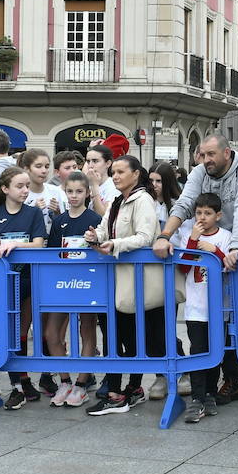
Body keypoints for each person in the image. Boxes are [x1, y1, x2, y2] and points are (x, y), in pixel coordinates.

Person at [152, 133, 238, 402]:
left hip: (236, 253)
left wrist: (233, 249)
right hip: (208, 254)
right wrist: (165, 235)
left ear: (227, 153)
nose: (206, 159)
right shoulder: (200, 171)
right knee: (205, 324)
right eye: (203, 154)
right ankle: (210, 383)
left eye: (211, 154)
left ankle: (233, 380)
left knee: (232, 321)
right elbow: (185, 203)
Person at [85, 155, 160, 416]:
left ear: (136, 174)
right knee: (117, 333)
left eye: (120, 172)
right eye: (113, 172)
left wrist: (115, 244)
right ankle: (121, 389)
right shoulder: (117, 201)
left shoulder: (143, 200)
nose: (115, 176)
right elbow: (106, 230)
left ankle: (127, 389)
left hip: (134, 279)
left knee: (128, 334)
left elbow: (145, 237)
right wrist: (96, 236)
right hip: (117, 278)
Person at [0, 166, 50, 411]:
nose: (25, 190)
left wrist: (15, 244)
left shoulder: (33, 214)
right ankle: (19, 380)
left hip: (27, 280)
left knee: (18, 331)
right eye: (20, 186)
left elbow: (40, 244)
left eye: (27, 186)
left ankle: (20, 384)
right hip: (1, 280)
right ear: (5, 189)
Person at [175, 193, 236, 422]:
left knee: (215, 352)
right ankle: (197, 398)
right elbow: (182, 269)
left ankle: (210, 392)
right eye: (199, 213)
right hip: (196, 307)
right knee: (198, 350)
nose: (202, 217)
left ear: (218, 215)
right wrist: (192, 241)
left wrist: (215, 251)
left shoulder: (226, 236)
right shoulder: (188, 235)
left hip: (219, 307)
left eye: (208, 213)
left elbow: (229, 266)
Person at [46, 170, 103, 407]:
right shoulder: (59, 221)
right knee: (51, 332)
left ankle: (81, 383)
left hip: (87, 282)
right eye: (70, 191)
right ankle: (64, 381)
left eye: (79, 191)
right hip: (63, 282)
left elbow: (101, 249)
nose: (74, 196)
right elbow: (52, 253)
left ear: (87, 193)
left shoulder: (95, 219)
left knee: (87, 328)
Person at [19, 149, 66, 230]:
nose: (44, 171)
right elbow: (16, 224)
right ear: (27, 169)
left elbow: (65, 223)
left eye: (47, 167)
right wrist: (34, 211)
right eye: (38, 166)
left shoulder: (57, 191)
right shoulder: (20, 194)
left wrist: (58, 213)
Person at [84, 143, 120, 216]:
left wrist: (94, 187)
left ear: (108, 163)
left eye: (95, 161)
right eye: (88, 161)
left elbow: (104, 216)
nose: (90, 166)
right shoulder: (88, 184)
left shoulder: (113, 187)